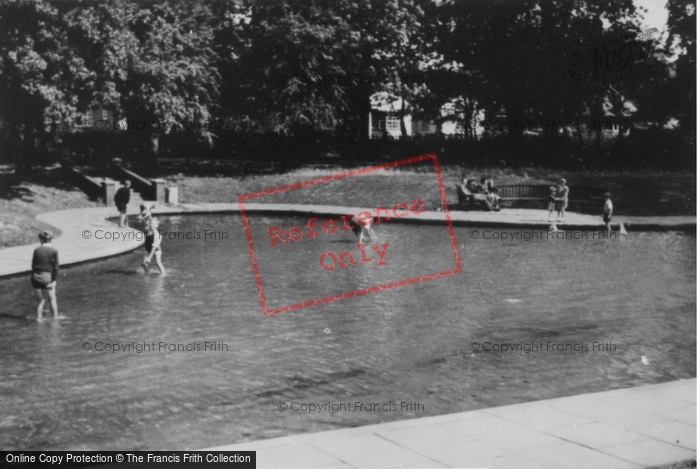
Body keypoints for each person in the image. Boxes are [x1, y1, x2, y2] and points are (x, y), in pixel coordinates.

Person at [31, 231, 59, 320]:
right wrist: (54, 280)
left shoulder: (36, 250)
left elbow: (33, 265)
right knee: (52, 298)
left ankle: (38, 319)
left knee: (40, 299)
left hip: (35, 277)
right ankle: (55, 319)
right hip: (47, 277)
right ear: (50, 240)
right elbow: (56, 267)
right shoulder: (54, 250)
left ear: (41, 240)